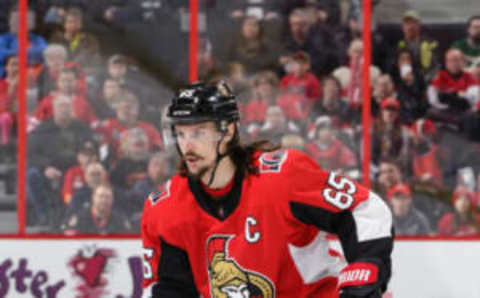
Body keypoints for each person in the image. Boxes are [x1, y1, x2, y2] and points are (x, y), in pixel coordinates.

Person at [141, 81, 393, 297]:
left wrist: (366, 265)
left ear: (227, 131)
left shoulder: (283, 177)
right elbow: (170, 288)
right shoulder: (165, 209)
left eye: (199, 132)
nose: (187, 146)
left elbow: (363, 207)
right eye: (181, 134)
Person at [62, 183, 132, 235]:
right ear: (93, 197)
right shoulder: (79, 218)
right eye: (101, 196)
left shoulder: (120, 220)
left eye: (107, 197)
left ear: (112, 199)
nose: (104, 200)